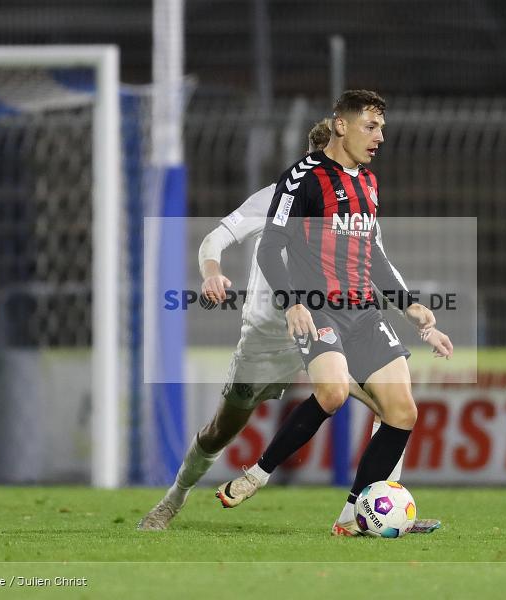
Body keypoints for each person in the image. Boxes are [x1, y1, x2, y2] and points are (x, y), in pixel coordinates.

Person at [138, 119, 452, 532]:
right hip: (268, 341)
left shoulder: (357, 200)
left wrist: (416, 316)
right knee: (220, 431)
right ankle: (173, 498)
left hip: (329, 325)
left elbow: (376, 265)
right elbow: (214, 239)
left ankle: (368, 512)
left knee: (393, 407)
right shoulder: (277, 198)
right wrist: (211, 272)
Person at [216, 90, 437, 536]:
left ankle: (352, 517)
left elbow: (371, 255)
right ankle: (259, 472)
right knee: (333, 393)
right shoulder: (303, 176)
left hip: (364, 312)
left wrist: (408, 303)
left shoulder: (369, 184)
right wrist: (295, 301)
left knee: (402, 412)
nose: (379, 138)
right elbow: (271, 248)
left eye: (382, 129)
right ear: (341, 124)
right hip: (319, 309)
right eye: (370, 127)